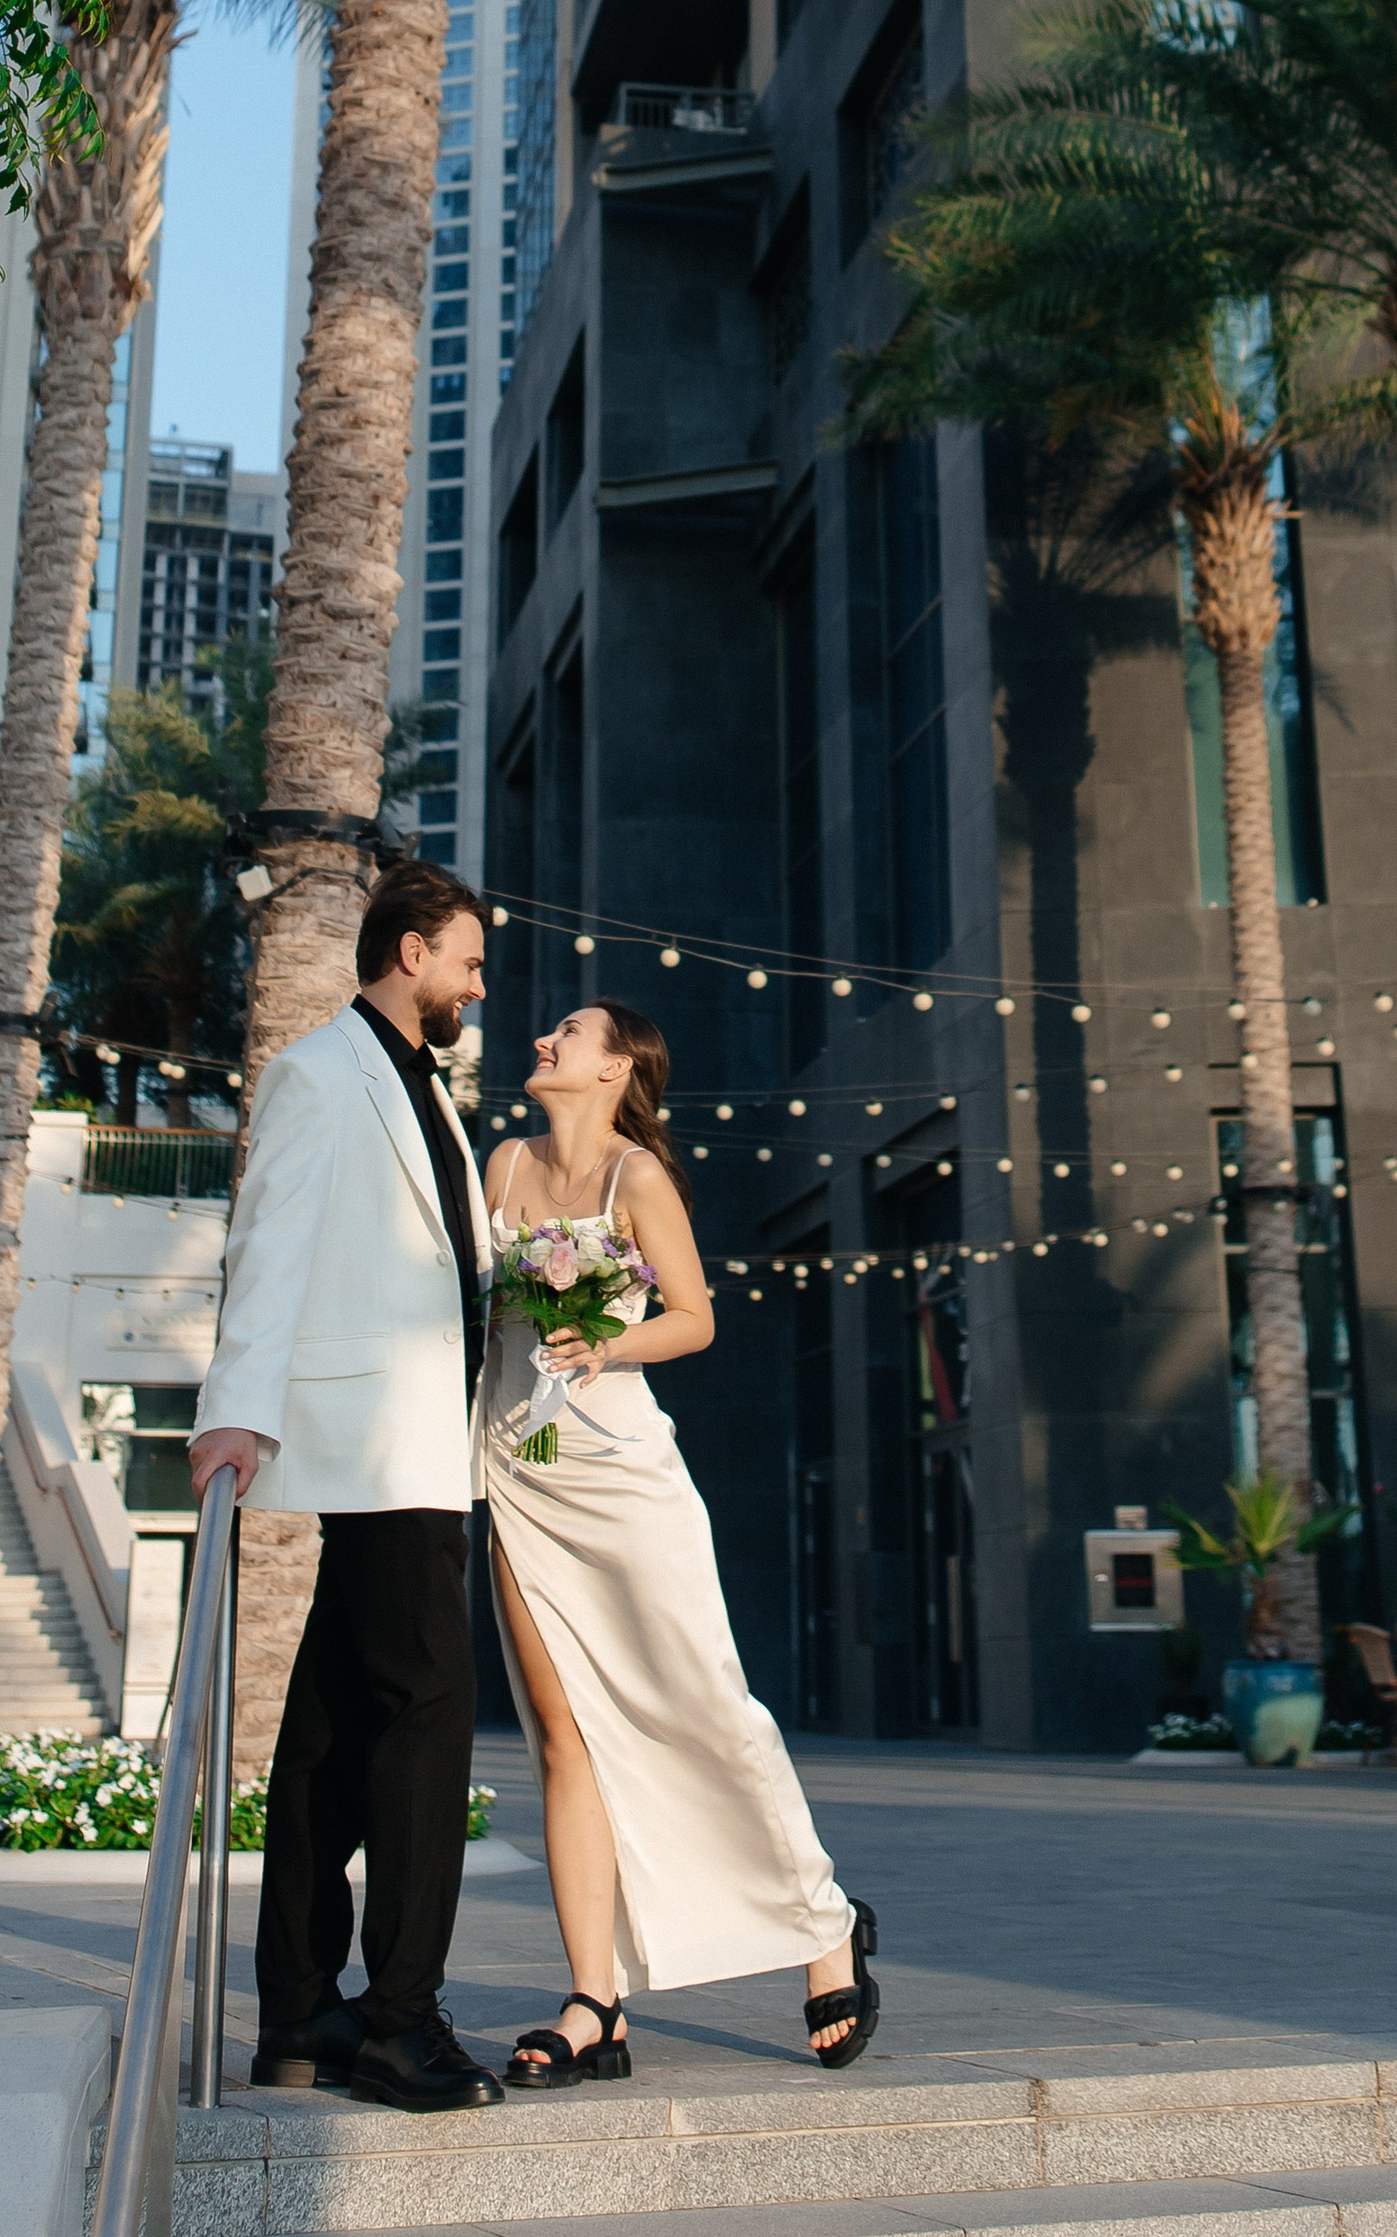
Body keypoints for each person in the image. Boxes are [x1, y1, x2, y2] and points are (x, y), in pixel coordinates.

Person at [480, 999, 880, 2085]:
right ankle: (591, 2000)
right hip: (519, 1471)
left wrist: (605, 1334)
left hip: (625, 1474)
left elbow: (694, 1317)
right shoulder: (503, 1165)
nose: (542, 1042)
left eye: (566, 1033)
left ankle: (822, 1922)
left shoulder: (637, 1178)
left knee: (705, 1702)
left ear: (616, 1070)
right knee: (561, 1735)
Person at [190, 858, 504, 2115]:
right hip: (380, 1450)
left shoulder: (427, 1087)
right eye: (470, 961)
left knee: (324, 1736)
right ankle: (399, 2020)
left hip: (425, 1441)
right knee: (428, 1717)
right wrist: (234, 1410)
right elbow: (267, 1243)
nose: (480, 984)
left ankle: (298, 2009)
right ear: (412, 951)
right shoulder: (321, 1072)